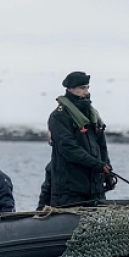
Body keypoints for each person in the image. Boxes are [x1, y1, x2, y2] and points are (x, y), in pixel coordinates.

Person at [47, 71, 114, 207]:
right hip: (70, 190)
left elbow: (102, 147)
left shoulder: (92, 115)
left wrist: (107, 172)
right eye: (82, 88)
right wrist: (97, 165)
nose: (86, 92)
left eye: (87, 88)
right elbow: (68, 148)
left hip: (95, 188)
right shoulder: (59, 116)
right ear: (70, 89)